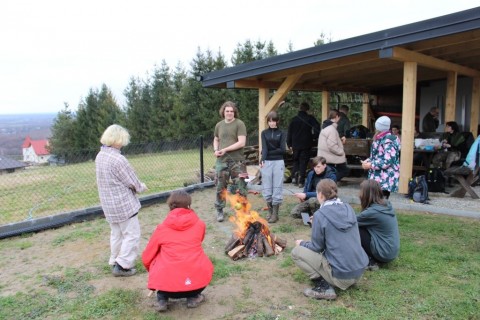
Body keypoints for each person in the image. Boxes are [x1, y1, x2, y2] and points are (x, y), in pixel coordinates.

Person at [291, 179, 368, 300]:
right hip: (358, 271)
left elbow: (317, 247)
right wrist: (316, 223)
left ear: (320, 194)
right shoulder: (349, 208)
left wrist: (302, 243)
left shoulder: (320, 215)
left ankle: (323, 287)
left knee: (296, 252)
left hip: (341, 277)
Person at [142, 190, 214, 312]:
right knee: (201, 260)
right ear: (189, 206)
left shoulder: (161, 229)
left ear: (170, 206)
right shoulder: (200, 225)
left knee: (159, 257)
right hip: (196, 284)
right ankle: (193, 297)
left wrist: (154, 272)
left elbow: (147, 257)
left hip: (166, 287)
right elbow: (199, 241)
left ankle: (162, 299)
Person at [95, 124, 147, 277]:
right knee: (131, 234)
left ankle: (114, 259)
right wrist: (141, 187)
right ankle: (123, 265)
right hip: (123, 205)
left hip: (108, 205)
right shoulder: (118, 159)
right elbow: (132, 182)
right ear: (118, 140)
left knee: (116, 233)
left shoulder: (100, 156)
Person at [213, 101, 248, 222]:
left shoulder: (239, 124)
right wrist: (216, 150)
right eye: (227, 111)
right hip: (221, 161)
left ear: (234, 112)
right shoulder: (219, 125)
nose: (229, 113)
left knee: (241, 187)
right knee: (220, 187)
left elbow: (242, 142)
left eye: (231, 111)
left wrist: (225, 149)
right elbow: (216, 139)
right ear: (223, 112)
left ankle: (242, 211)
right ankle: (219, 210)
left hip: (237, 161)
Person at [356, 180, 400, 271]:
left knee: (355, 229)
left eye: (361, 191)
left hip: (384, 253)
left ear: (367, 194)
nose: (359, 194)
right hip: (391, 251)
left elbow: (350, 221)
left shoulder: (373, 212)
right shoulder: (385, 205)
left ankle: (370, 261)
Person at [361, 116, 400, 199]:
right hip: (378, 177)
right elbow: (376, 156)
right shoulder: (380, 138)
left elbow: (388, 161)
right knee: (375, 202)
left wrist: (370, 165)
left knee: (381, 203)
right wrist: (367, 161)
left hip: (385, 178)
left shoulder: (389, 140)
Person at [260, 111, 286, 223]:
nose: (272, 123)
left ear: (277, 121)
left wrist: (271, 151)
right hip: (267, 162)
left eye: (274, 121)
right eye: (270, 121)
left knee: (277, 186)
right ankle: (270, 211)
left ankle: (275, 214)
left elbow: (283, 150)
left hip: (278, 162)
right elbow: (264, 149)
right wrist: (262, 159)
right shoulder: (264, 133)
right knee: (267, 186)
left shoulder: (282, 133)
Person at [287, 102, 320, 188]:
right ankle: (301, 181)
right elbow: (317, 128)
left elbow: (289, 132)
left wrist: (289, 143)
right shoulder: (310, 118)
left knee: (295, 160)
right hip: (306, 143)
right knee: (303, 162)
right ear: (307, 109)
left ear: (299, 108)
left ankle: (294, 177)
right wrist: (314, 137)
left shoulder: (293, 119)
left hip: (295, 144)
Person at [317, 110, 349, 181]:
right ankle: (329, 182)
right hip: (330, 156)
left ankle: (327, 182)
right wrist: (341, 151)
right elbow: (332, 146)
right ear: (337, 117)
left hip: (325, 155)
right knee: (344, 170)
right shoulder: (332, 129)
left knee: (329, 172)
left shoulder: (325, 127)